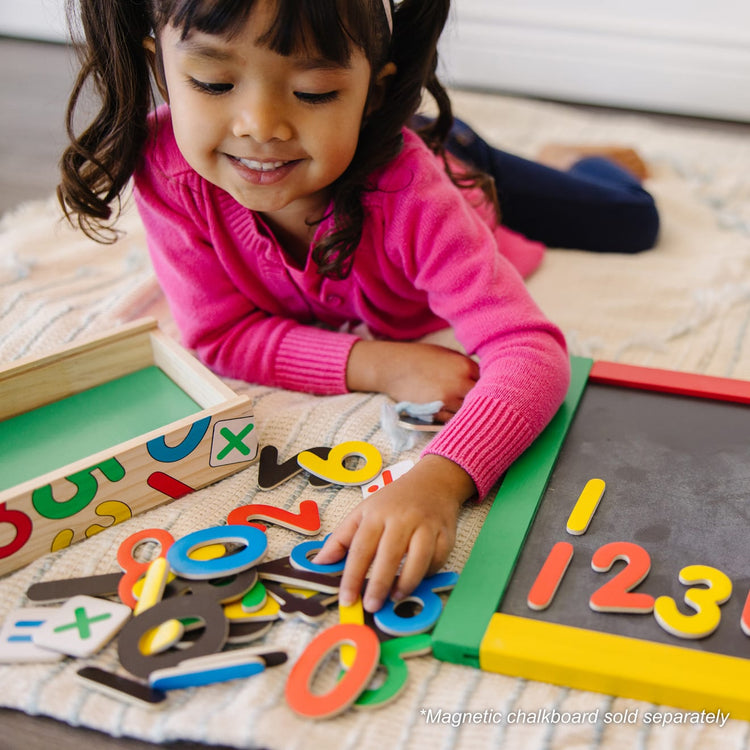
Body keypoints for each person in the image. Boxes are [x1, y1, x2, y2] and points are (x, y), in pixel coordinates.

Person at [58, 0, 580, 615]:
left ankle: (564, 159)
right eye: (213, 83)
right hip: (391, 139)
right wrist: (380, 364)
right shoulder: (167, 167)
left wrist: (439, 481)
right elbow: (220, 336)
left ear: (371, 90)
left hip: (457, 168)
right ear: (162, 69)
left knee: (630, 219)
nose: (260, 124)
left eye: (313, 92)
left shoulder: (413, 192)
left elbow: (530, 350)